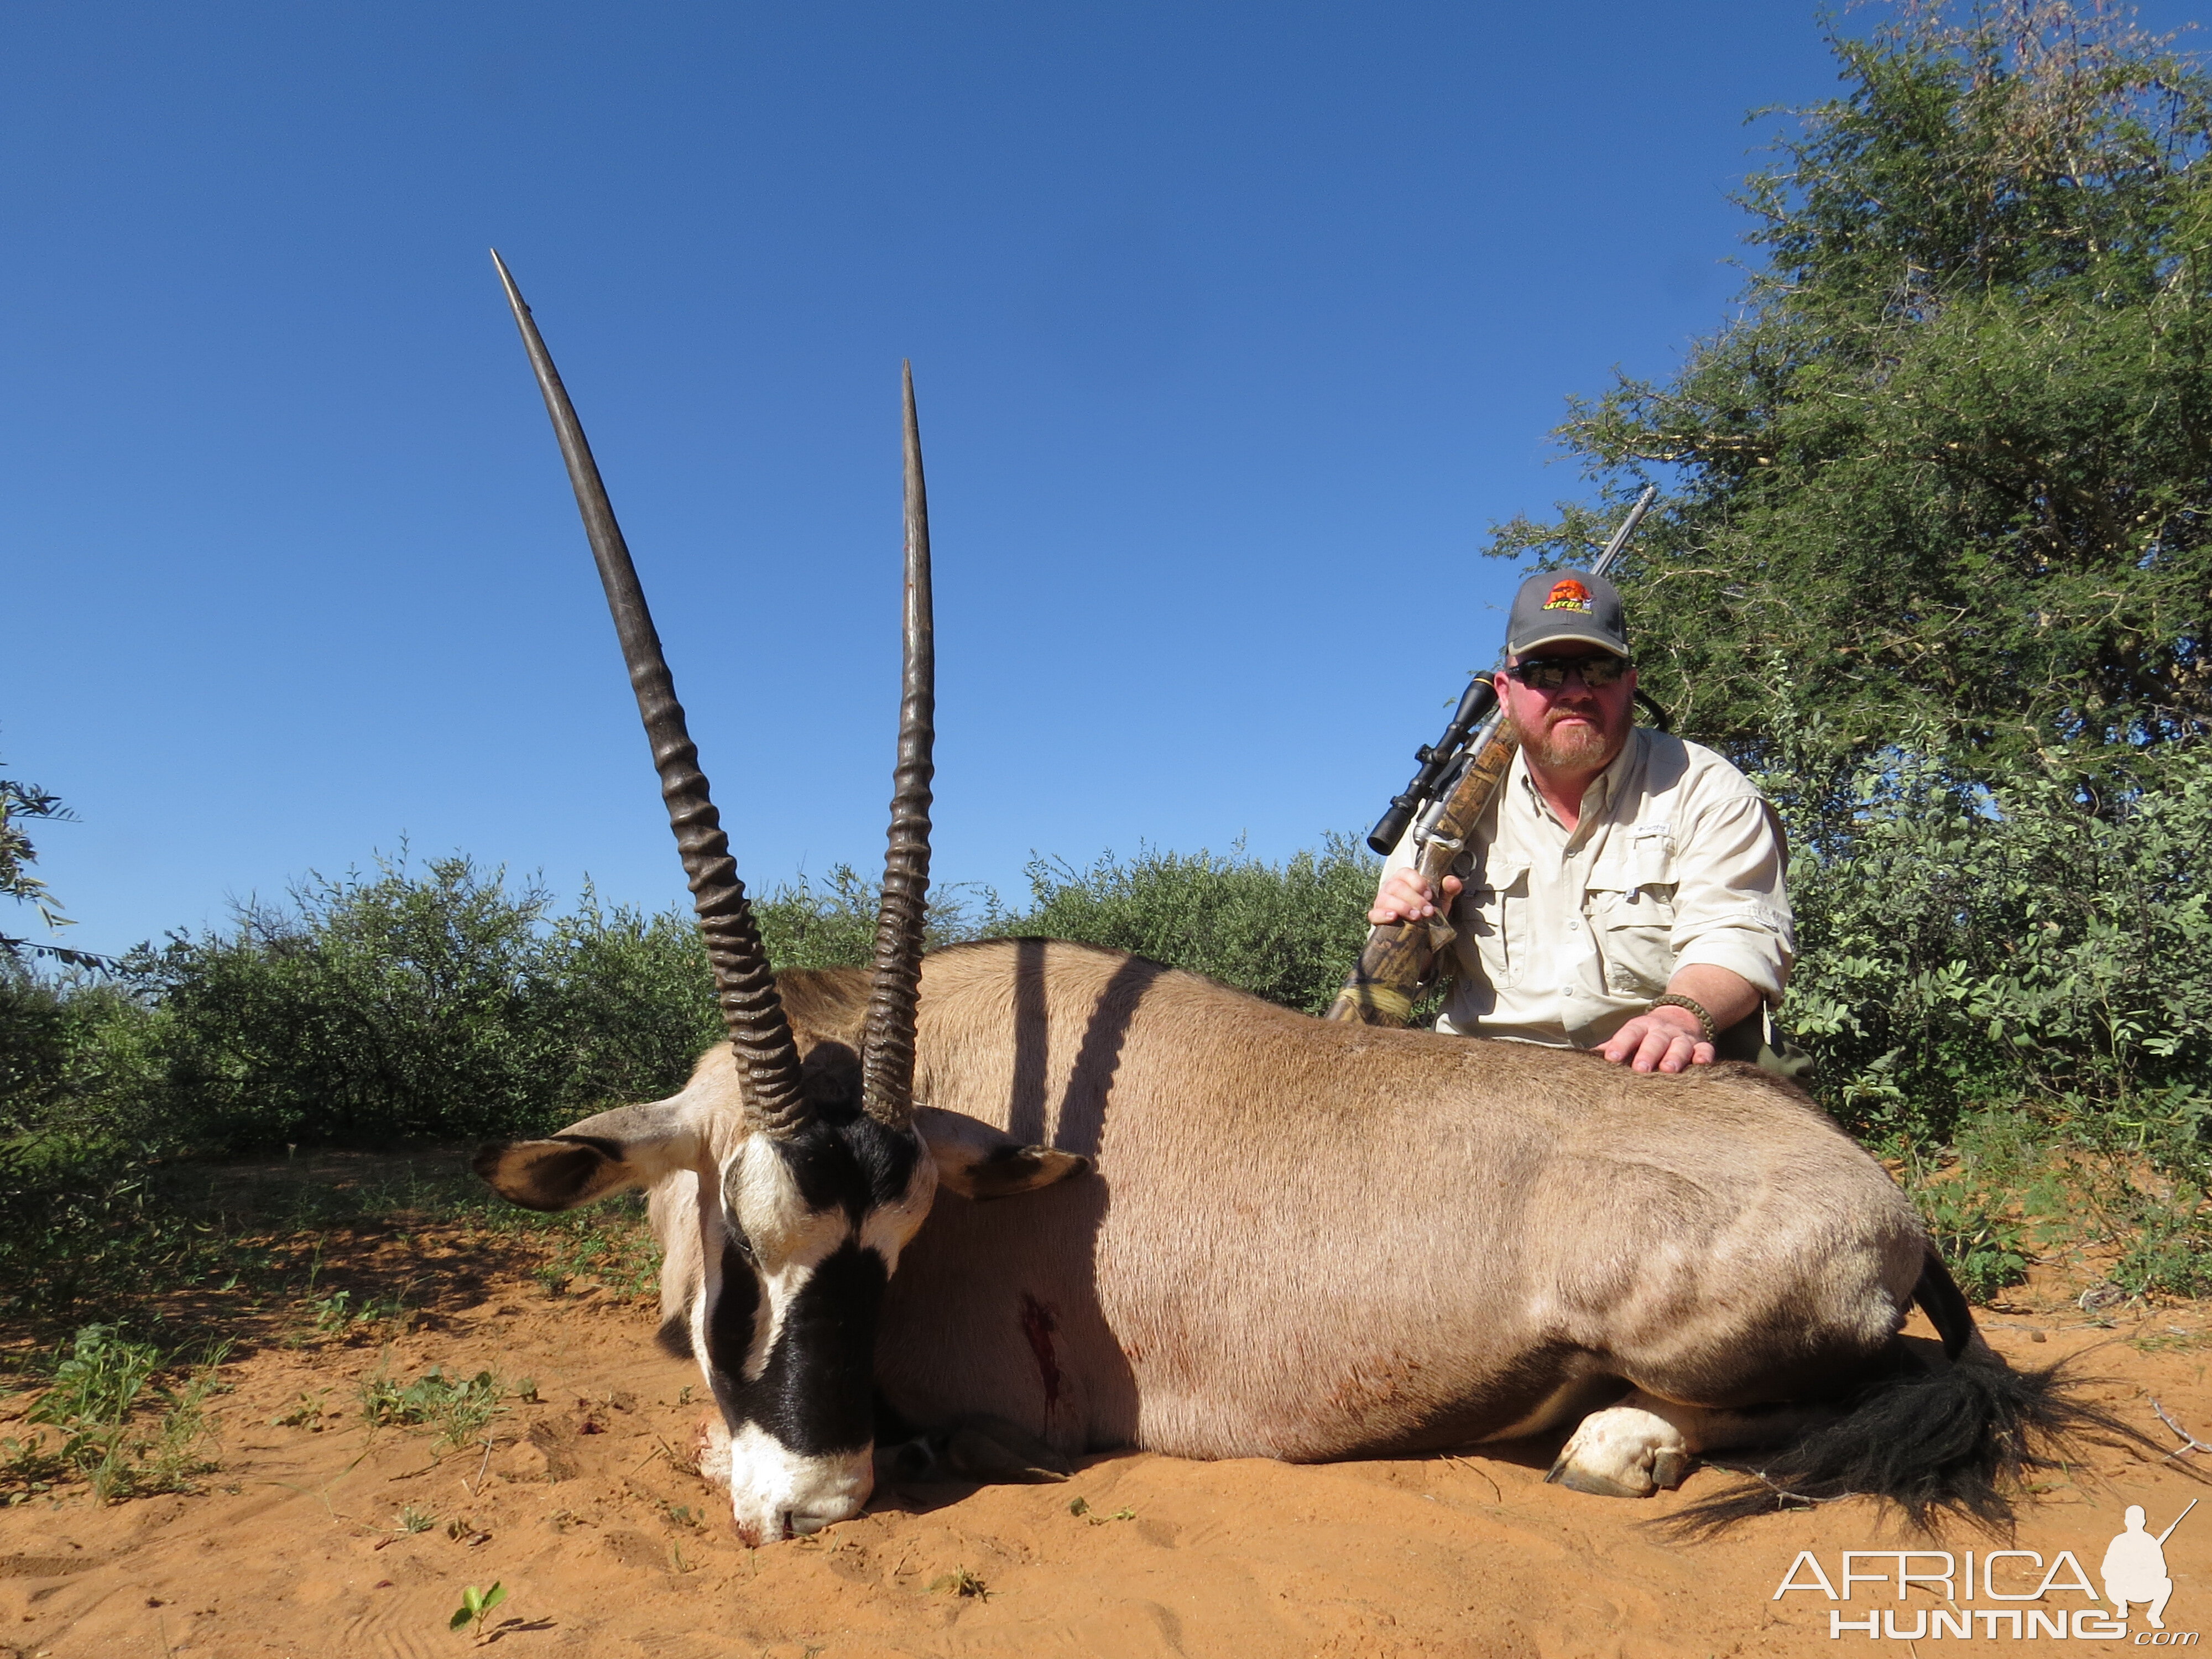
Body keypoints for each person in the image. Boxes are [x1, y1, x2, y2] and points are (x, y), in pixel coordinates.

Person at [1370, 567, 1797, 1076]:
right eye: (1546, 673)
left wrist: (1682, 1016)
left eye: (1598, 669)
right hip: (1485, 1077)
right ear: (1504, 693)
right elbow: (1398, 981)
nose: (1575, 691)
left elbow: (1737, 935)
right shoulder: (1441, 816)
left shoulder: (1709, 789)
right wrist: (1416, 931)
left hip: (1657, 1071)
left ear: (1630, 684)